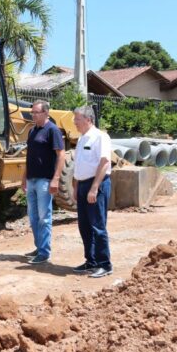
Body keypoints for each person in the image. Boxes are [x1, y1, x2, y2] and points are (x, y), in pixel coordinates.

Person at [71, 105, 113, 278]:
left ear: (88, 119)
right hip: (81, 185)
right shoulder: (82, 139)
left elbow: (104, 163)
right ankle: (91, 261)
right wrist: (75, 187)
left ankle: (105, 264)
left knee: (98, 226)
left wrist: (94, 188)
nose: (74, 122)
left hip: (96, 184)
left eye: (77, 119)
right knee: (84, 226)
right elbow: (78, 165)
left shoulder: (100, 137)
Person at [23, 100, 65, 265]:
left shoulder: (52, 130)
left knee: (44, 217)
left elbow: (61, 155)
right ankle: (39, 246)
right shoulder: (32, 131)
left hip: (44, 180)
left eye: (36, 112)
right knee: (33, 217)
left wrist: (56, 178)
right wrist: (23, 178)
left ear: (46, 113)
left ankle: (44, 252)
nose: (33, 115)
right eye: (32, 112)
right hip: (31, 180)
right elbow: (29, 157)